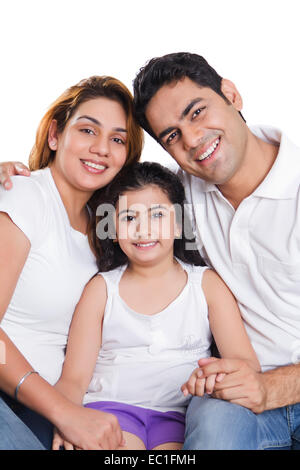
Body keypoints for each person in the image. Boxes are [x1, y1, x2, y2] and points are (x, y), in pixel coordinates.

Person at [131, 52, 300, 450]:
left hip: (273, 386)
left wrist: (273, 388)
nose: (191, 140)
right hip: (239, 393)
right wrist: (26, 180)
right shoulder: (180, 195)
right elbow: (105, 207)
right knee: (211, 421)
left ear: (231, 94)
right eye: (171, 135)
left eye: (196, 112)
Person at [50, 161, 259, 450]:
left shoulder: (207, 285)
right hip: (110, 410)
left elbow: (245, 363)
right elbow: (74, 378)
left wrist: (214, 376)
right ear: (112, 229)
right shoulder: (101, 289)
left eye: (157, 215)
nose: (143, 229)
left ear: (178, 224)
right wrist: (66, 420)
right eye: (128, 218)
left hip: (180, 416)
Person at [0, 75, 143, 450]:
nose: (101, 149)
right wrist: (64, 412)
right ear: (54, 135)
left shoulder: (108, 227)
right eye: (87, 130)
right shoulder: (24, 197)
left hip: (48, 406)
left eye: (117, 139)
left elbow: (173, 210)